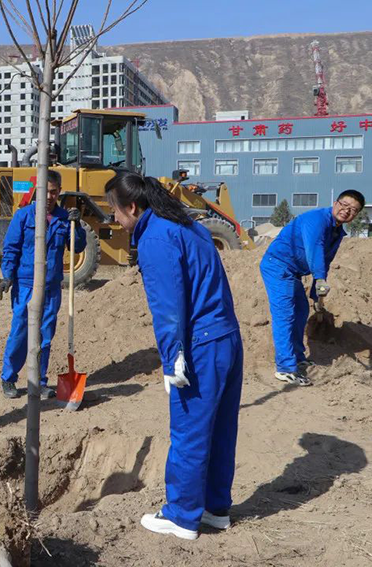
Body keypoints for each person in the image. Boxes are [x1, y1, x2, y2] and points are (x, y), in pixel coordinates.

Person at [105, 172, 243, 540]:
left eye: (115, 210)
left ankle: (182, 515)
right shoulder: (189, 225)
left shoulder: (155, 238)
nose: (114, 219)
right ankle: (215, 507)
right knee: (221, 429)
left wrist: (172, 358)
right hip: (227, 336)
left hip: (200, 345)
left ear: (132, 207)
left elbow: (168, 305)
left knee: (190, 431)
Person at [260, 190, 365, 386]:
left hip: (293, 272)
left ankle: (298, 357)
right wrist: (319, 277)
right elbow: (314, 248)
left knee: (301, 311)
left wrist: (317, 293)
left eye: (353, 210)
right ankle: (285, 368)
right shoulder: (317, 219)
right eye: (344, 205)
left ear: (356, 215)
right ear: (335, 203)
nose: (347, 211)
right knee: (285, 314)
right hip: (278, 266)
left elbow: (326, 260)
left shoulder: (337, 232)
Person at [0, 170, 86, 399]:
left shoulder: (64, 219)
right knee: (20, 332)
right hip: (26, 284)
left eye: (53, 192)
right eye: (44, 191)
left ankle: (39, 381)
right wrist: (7, 276)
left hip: (51, 287)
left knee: (45, 336)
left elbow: (77, 247)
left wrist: (78, 225)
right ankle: (9, 378)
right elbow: (11, 249)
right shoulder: (23, 216)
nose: (48, 196)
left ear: (59, 192)